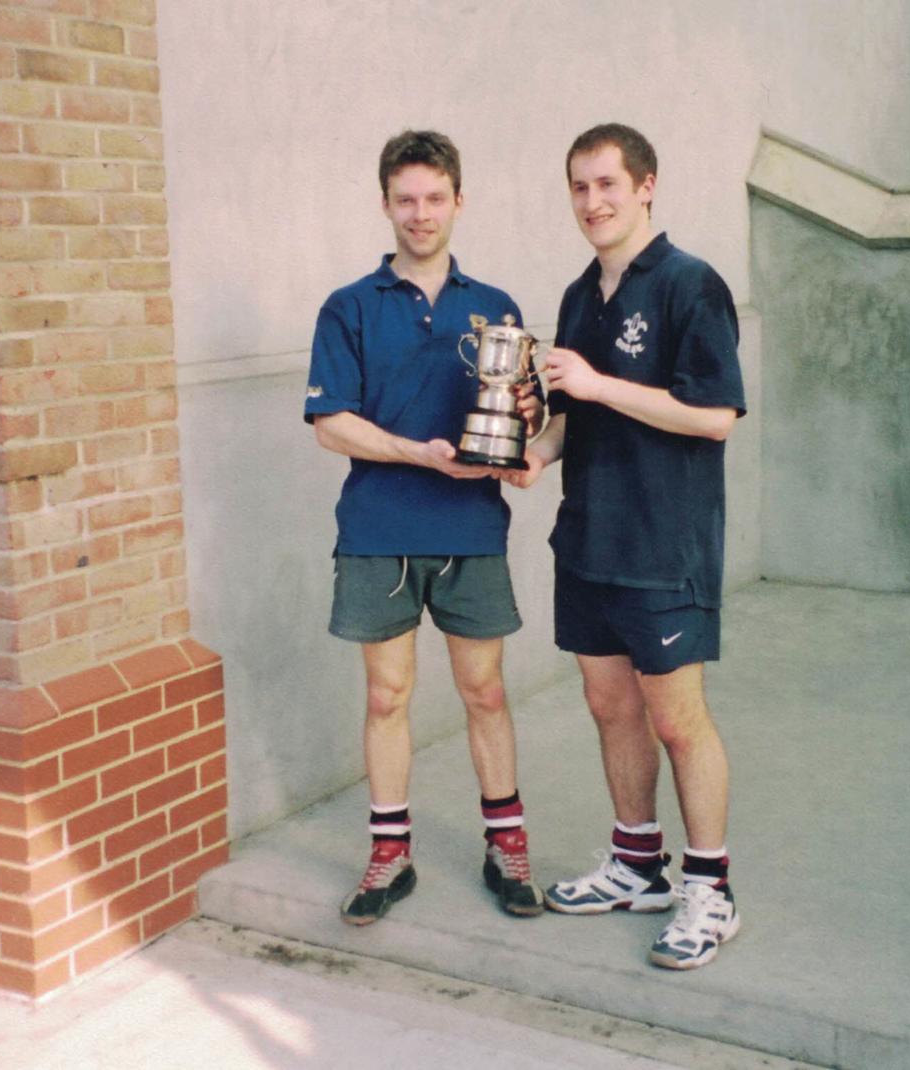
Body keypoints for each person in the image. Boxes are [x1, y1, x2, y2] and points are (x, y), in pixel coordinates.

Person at [503, 123, 746, 969]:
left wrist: (603, 384)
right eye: (578, 187)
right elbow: (573, 416)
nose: (592, 202)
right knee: (610, 708)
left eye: (606, 184)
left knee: (678, 722)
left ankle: (708, 891)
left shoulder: (690, 285)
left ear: (646, 185)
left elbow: (715, 417)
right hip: (589, 541)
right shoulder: (578, 296)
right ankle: (637, 863)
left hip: (663, 545)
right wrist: (531, 453)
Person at [305, 130, 545, 926]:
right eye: (404, 199)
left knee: (483, 690)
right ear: (385, 205)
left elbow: (525, 415)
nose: (419, 213)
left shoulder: (495, 307)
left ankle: (506, 845)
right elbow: (330, 424)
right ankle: (389, 854)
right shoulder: (348, 307)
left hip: (472, 526)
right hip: (378, 527)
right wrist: (415, 453)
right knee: (387, 695)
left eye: (434, 198)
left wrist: (520, 441)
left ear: (457, 203)